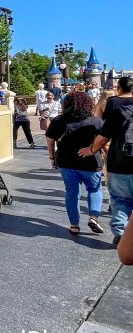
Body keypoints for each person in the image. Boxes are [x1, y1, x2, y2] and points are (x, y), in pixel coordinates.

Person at [78, 76, 133, 246]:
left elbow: (103, 137)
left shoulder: (119, 110)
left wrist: (92, 150)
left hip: (121, 161)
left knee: (120, 199)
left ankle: (120, 233)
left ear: (119, 88)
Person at [46, 92, 104, 235]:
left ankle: (74, 225)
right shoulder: (95, 121)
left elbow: (50, 140)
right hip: (91, 162)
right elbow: (103, 140)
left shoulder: (58, 121)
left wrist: (52, 157)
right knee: (94, 189)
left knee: (72, 193)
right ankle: (93, 217)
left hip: (66, 162)